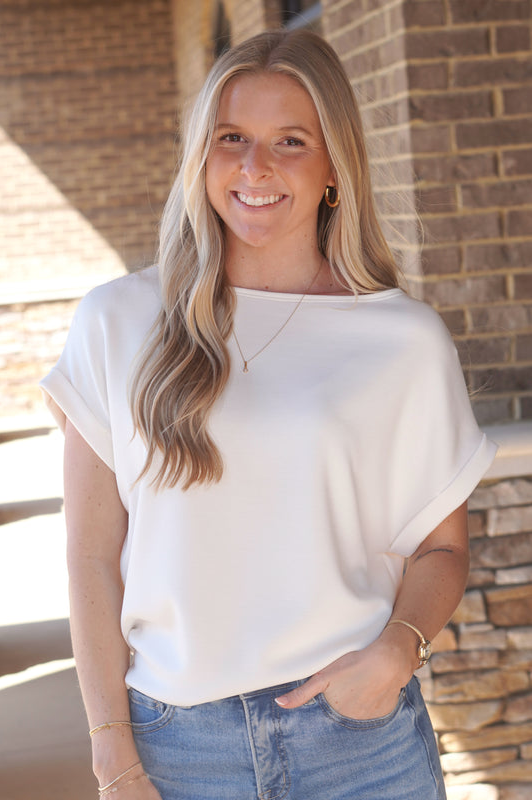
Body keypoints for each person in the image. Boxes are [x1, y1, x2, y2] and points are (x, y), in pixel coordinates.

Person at [41, 29, 497, 800]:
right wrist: (110, 749)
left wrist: (397, 650)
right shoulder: (117, 321)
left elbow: (441, 549)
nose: (254, 167)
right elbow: (90, 555)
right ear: (201, 156)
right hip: (177, 749)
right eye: (232, 138)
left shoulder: (401, 339)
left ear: (334, 166)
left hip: (358, 746)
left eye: (290, 140)